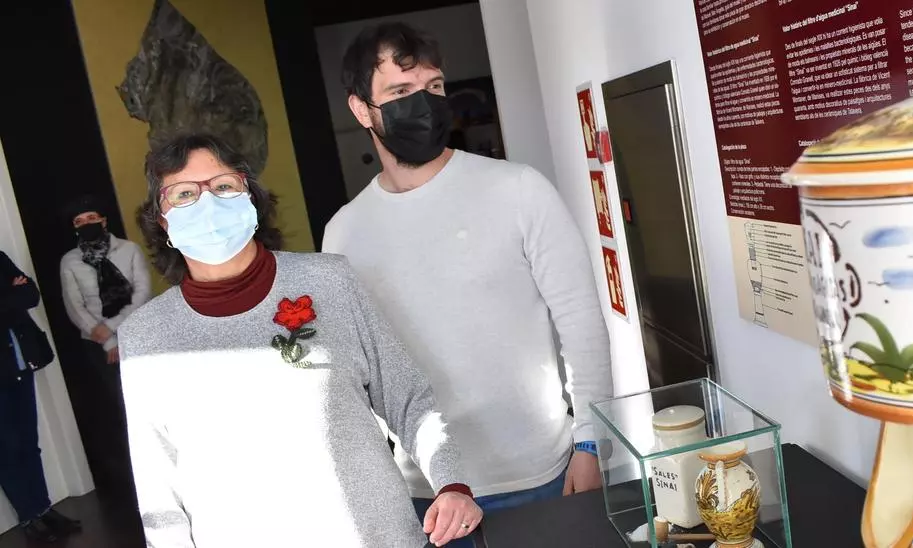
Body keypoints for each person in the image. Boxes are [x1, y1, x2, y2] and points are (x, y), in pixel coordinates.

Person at [119, 133, 482, 547]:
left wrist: (451, 482)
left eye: (223, 186)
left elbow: (406, 395)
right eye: (184, 194)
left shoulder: (329, 281)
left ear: (250, 198)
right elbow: (157, 480)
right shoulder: (144, 336)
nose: (208, 203)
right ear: (162, 220)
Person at [323, 21, 614, 525]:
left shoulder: (518, 190)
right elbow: (358, 370)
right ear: (361, 109)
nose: (423, 103)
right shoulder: (344, 233)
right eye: (400, 92)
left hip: (541, 473)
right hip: (426, 490)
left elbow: (581, 322)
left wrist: (591, 442)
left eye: (433, 86)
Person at [59, 195, 151, 497]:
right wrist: (109, 341)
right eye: (79, 221)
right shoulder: (70, 261)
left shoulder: (129, 249)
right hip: (99, 346)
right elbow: (75, 307)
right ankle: (138, 473)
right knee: (120, 406)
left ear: (103, 220)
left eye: (91, 218)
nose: (87, 224)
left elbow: (142, 293)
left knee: (149, 400)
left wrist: (114, 328)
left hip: (137, 334)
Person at [0, 251, 82, 542]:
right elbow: (18, 299)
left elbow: (31, 295)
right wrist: (11, 294)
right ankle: (29, 517)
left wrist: (12, 296)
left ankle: (44, 509)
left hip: (20, 365)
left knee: (28, 443)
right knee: (7, 450)